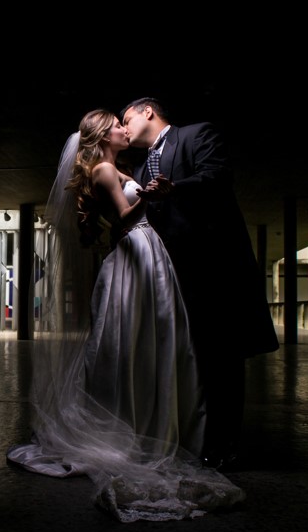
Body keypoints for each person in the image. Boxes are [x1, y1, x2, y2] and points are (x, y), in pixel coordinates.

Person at [7, 109, 245, 522]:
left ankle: (155, 420)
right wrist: (151, 199)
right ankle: (130, 426)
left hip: (146, 253)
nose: (123, 128)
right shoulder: (102, 168)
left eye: (124, 121)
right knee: (129, 340)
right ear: (103, 134)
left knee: (151, 337)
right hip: (135, 252)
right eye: (117, 124)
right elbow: (125, 217)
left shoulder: (116, 167)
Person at [120, 97, 280, 470]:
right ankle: (193, 438)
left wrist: (175, 188)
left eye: (127, 119)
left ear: (148, 112)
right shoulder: (141, 166)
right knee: (190, 359)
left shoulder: (196, 135)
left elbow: (218, 175)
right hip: (171, 276)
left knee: (222, 359)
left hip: (215, 269)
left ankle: (224, 446)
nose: (124, 128)